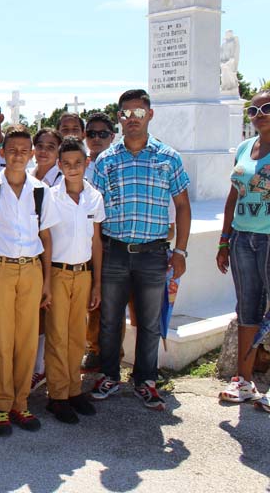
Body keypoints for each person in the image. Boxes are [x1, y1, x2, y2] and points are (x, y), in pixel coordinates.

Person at [90, 89, 191, 411]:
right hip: (114, 251)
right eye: (125, 113)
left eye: (138, 113)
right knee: (109, 319)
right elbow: (92, 210)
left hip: (153, 253)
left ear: (150, 115)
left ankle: (145, 379)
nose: (131, 119)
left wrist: (181, 252)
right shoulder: (106, 160)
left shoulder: (168, 157)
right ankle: (109, 374)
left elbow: (183, 206)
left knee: (148, 321)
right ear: (119, 117)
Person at [0, 125, 59, 436]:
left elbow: (45, 236)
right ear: (2, 154)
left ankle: (21, 403)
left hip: (31, 270)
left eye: (24, 150)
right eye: (12, 150)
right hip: (0, 271)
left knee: (27, 341)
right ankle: (1, 405)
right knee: (1, 341)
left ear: (32, 153)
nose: (18, 155)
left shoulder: (41, 192)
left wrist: (46, 282)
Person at [45, 137, 105, 424]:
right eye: (66, 164)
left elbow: (96, 243)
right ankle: (57, 395)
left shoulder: (94, 196)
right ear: (59, 166)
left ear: (86, 163)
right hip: (57, 272)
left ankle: (73, 390)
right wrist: (44, 282)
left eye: (77, 163)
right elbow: (43, 240)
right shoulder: (49, 197)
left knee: (77, 336)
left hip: (83, 273)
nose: (72, 168)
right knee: (57, 336)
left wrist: (96, 282)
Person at [216, 90, 270, 409]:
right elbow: (233, 195)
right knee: (246, 308)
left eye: (266, 108)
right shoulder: (245, 148)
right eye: (253, 109)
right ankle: (244, 382)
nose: (259, 113)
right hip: (242, 239)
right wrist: (224, 239)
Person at [28, 128, 64, 393]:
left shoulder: (62, 182)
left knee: (52, 317)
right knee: (36, 317)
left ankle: (43, 370)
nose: (43, 151)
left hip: (55, 257)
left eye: (51, 147)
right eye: (40, 145)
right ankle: (35, 367)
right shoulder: (27, 177)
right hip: (30, 257)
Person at [81, 112, 117, 371]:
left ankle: (110, 354)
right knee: (91, 301)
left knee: (109, 301)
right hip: (83, 242)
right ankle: (93, 348)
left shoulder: (116, 163)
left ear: (112, 136)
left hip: (109, 240)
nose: (96, 138)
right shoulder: (79, 164)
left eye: (102, 133)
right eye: (91, 133)